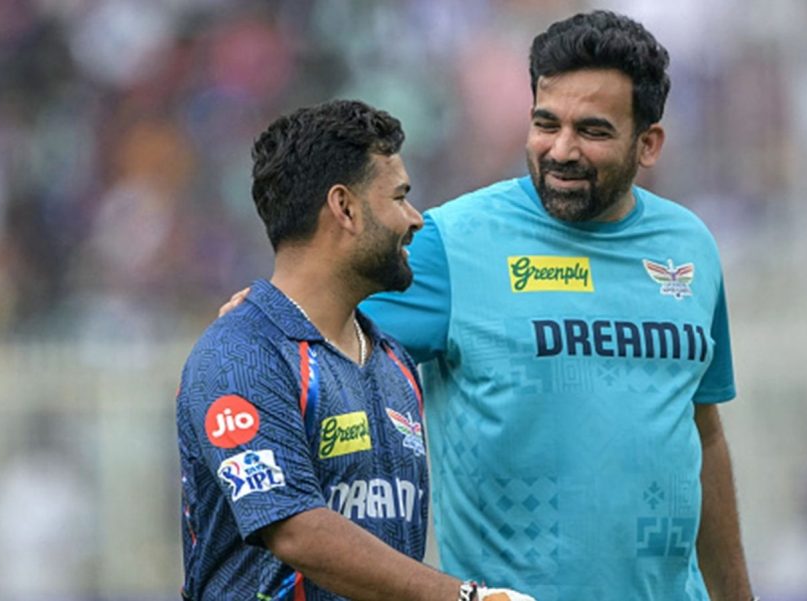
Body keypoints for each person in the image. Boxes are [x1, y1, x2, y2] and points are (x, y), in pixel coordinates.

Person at [223, 11, 755, 601]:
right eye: (546, 123)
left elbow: (703, 433)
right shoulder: (452, 244)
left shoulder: (689, 247)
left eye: (593, 131)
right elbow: (303, 330)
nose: (562, 150)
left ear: (648, 143)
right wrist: (262, 317)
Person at [179, 99, 534, 601]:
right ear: (344, 208)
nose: (415, 219)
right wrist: (465, 598)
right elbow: (295, 530)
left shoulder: (394, 362)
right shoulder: (239, 354)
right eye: (400, 197)